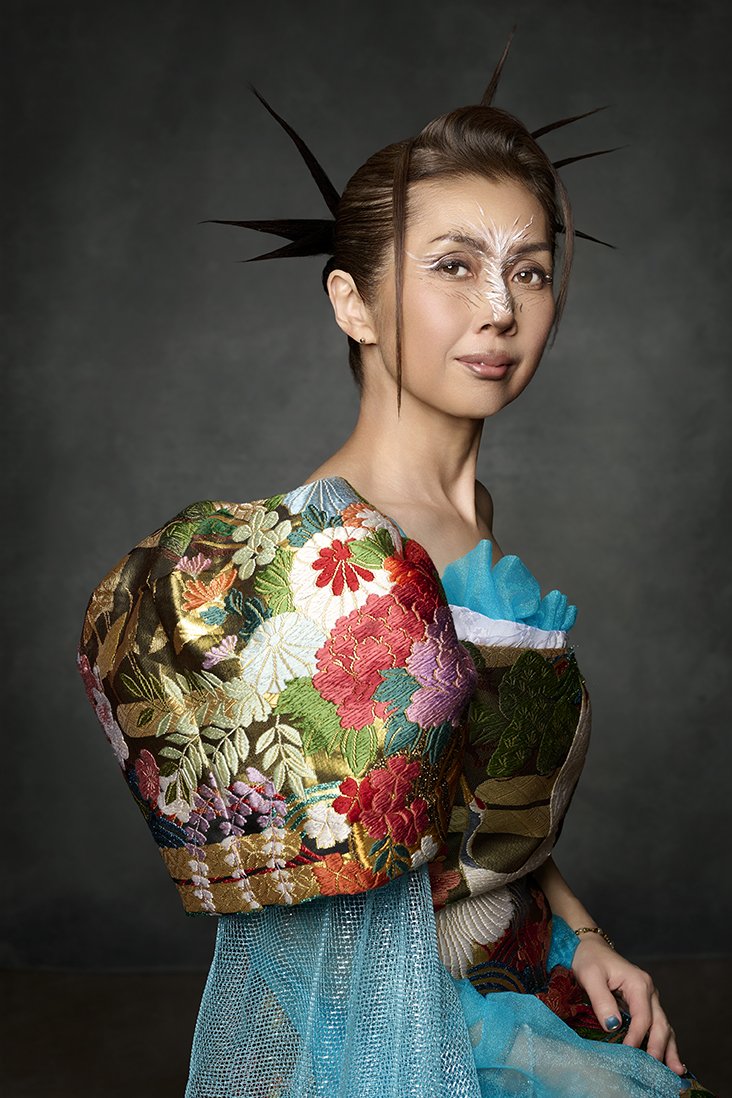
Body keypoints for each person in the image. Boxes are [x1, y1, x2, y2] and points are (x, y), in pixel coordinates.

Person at [77, 33, 715, 1098]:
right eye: (454, 265)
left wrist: (585, 937)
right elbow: (312, 927)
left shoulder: (471, 521)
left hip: (524, 974)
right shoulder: (316, 563)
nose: (501, 307)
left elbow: (465, 801)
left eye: (529, 271)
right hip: (392, 1037)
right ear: (353, 303)